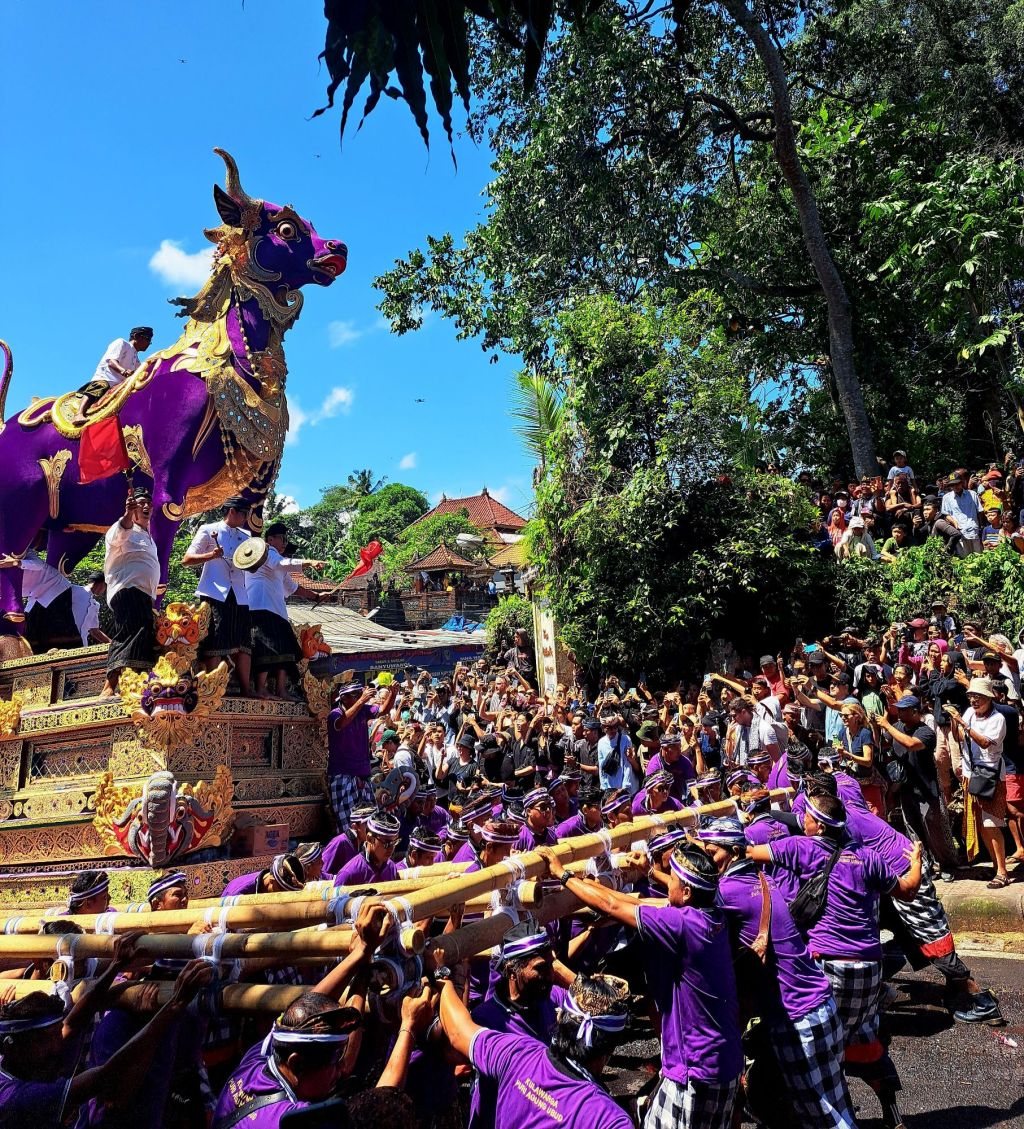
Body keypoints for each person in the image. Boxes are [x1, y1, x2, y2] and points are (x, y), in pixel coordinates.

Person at [748, 793, 922, 1129]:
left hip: (830, 970)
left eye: (806, 816)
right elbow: (908, 890)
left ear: (818, 824)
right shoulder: (868, 857)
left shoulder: (803, 847)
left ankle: (827, 1117)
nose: (801, 819)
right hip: (872, 973)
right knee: (865, 1042)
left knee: (809, 1052)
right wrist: (915, 859)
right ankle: (893, 1114)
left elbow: (745, 854)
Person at [537, 844, 742, 1129]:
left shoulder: (681, 925)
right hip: (722, 1058)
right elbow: (633, 903)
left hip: (696, 1071)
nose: (668, 881)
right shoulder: (712, 913)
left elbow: (611, 906)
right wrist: (591, 884)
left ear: (687, 893)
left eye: (673, 878)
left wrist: (563, 875)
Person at [693, 818, 856, 1129]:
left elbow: (677, 909)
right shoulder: (762, 879)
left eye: (712, 853)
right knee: (831, 1104)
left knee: (823, 1119)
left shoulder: (727, 892)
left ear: (735, 851)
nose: (707, 861)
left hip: (798, 1018)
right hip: (819, 1005)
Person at [0, 956, 210, 1127]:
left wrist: (116, 966)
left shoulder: (31, 1056)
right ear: (14, 1046)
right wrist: (173, 1007)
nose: (58, 1045)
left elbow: (73, 1022)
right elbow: (106, 1077)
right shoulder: (14, 1097)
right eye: (48, 1039)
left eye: (57, 1035)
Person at [438, 970, 633, 1129]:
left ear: (560, 1018)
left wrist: (442, 976)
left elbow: (458, 1032)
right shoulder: (608, 1119)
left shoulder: (518, 1052)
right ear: (608, 1051)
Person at [241, 522, 327, 699]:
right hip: (261, 607)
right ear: (270, 539)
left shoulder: (278, 566)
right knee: (266, 650)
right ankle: (261, 689)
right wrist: (308, 562)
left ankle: (281, 690)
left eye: (286, 539)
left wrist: (317, 596)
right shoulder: (266, 551)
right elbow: (279, 562)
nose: (285, 543)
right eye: (282, 539)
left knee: (286, 651)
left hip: (276, 610)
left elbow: (293, 587)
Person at [181, 497, 255, 697]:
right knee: (215, 638)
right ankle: (211, 689)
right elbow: (187, 560)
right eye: (245, 513)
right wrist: (210, 556)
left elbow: (252, 565)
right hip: (215, 592)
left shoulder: (247, 536)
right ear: (232, 511)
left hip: (240, 594)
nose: (247, 519)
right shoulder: (208, 529)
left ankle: (246, 689)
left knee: (244, 641)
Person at [946, 678, 1010, 888]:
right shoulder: (969, 714)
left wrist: (962, 723)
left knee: (991, 823)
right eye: (971, 696)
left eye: (978, 697)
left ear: (988, 698)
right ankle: (995, 865)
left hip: (989, 775)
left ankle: (1002, 871)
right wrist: (955, 722)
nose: (973, 700)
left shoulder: (997, 719)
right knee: (981, 824)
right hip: (971, 774)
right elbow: (959, 739)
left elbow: (984, 742)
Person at [100, 488, 160, 696]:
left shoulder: (147, 536)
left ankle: (132, 683)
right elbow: (122, 529)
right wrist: (127, 513)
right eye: (141, 503)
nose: (146, 507)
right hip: (128, 590)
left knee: (142, 633)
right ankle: (109, 687)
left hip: (142, 594)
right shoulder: (124, 529)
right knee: (128, 634)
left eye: (149, 504)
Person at [326, 677, 397, 831]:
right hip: (342, 775)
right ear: (343, 698)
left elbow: (382, 710)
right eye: (355, 694)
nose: (359, 696)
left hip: (363, 775)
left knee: (371, 823)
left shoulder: (363, 711)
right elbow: (342, 723)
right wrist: (363, 700)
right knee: (349, 826)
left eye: (360, 693)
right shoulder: (334, 714)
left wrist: (393, 694)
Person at [73, 326, 153, 426]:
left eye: (150, 341)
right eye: (147, 339)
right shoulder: (122, 343)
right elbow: (111, 361)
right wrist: (123, 371)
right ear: (136, 336)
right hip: (106, 379)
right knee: (101, 385)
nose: (149, 343)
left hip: (119, 386)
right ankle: (79, 414)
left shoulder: (136, 359)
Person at [940, 474, 982, 555]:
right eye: (952, 485)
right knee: (964, 560)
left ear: (962, 483)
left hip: (974, 531)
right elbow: (946, 514)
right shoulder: (946, 498)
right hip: (960, 532)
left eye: (957, 484)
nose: (955, 486)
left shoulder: (972, 494)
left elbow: (979, 511)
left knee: (979, 557)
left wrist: (980, 527)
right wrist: (955, 523)